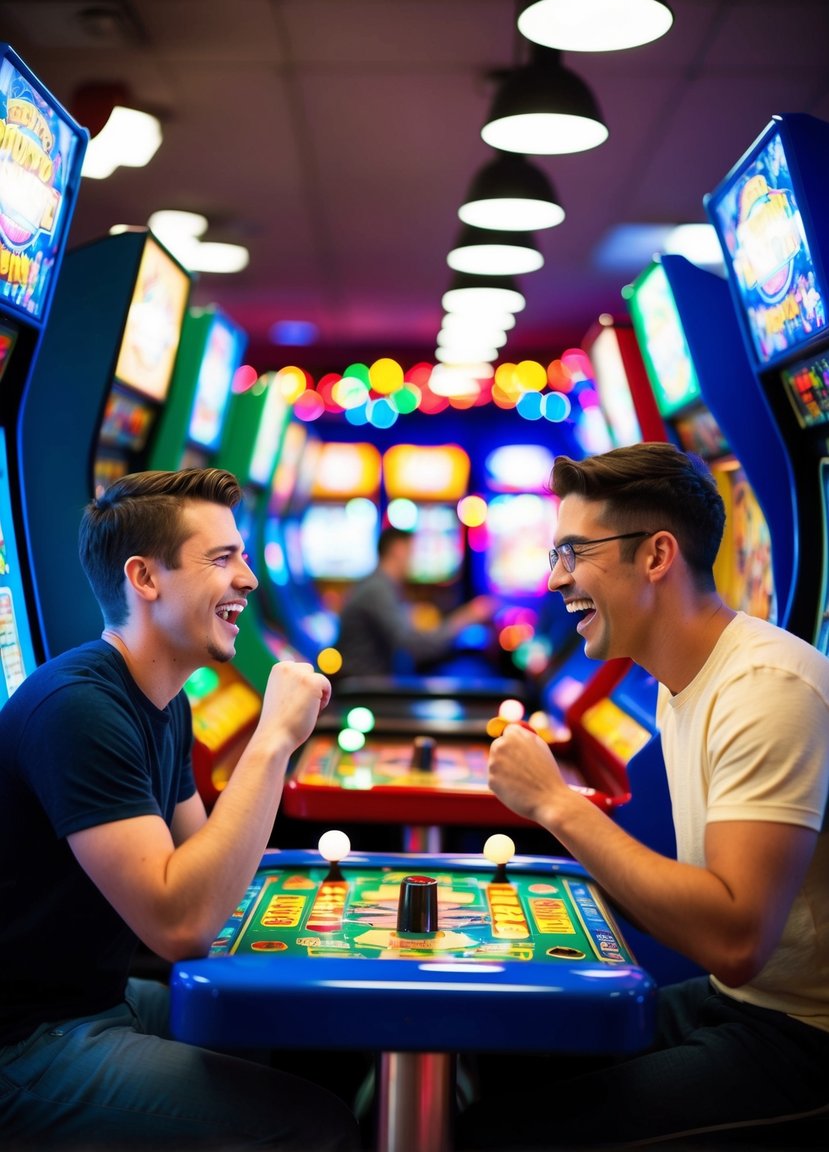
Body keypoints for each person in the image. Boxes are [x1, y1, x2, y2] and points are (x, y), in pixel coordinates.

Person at [461, 442, 829, 1149]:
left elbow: (734, 938)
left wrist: (555, 804)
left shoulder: (767, 688)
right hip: (737, 1002)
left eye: (573, 551)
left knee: (505, 1132)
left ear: (655, 556)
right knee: (493, 1052)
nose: (555, 580)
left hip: (802, 1035)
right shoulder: (677, 677)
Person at [0, 468, 358, 1151]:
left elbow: (209, 869)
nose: (249, 580)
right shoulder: (77, 708)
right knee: (314, 1128)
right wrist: (273, 740)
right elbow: (183, 923)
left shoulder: (168, 700)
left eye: (244, 557)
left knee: (304, 1036)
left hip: (97, 1001)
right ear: (144, 578)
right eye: (222, 559)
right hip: (24, 1042)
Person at [334, 525, 495, 679]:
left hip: (373, 683)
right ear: (398, 549)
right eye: (412, 551)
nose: (415, 559)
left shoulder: (380, 584)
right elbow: (412, 646)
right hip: (365, 689)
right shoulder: (377, 589)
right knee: (470, 672)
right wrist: (465, 617)